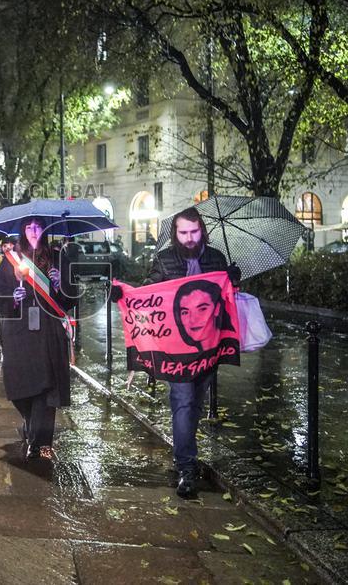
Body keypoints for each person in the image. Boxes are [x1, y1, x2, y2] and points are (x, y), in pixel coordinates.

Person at [112, 206, 240, 498]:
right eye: (183, 232)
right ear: (175, 233)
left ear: (202, 230)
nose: (189, 238)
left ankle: (186, 451)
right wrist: (124, 294)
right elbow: (149, 293)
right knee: (182, 400)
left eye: (194, 232)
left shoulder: (216, 258)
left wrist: (232, 278)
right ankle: (186, 468)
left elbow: (230, 298)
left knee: (195, 403)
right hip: (175, 352)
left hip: (209, 349)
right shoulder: (165, 259)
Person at [0, 217, 75, 459]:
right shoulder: (11, 260)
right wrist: (13, 298)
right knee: (19, 387)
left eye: (38, 226)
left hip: (48, 329)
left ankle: (40, 443)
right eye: (29, 227)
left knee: (47, 387)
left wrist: (60, 287)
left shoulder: (58, 258)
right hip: (18, 331)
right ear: (23, 230)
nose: (34, 231)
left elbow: (71, 299)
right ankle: (30, 421)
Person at [173, 279, 234, 352]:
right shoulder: (184, 351)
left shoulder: (230, 341)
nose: (193, 319)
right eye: (185, 312)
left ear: (217, 308)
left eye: (202, 309)